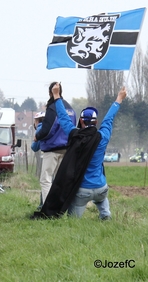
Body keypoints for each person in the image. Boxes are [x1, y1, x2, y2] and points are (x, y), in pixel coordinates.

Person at [34, 83, 126, 220]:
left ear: (81, 121)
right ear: (96, 122)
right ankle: (105, 214)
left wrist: (57, 96)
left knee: (73, 221)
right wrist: (119, 99)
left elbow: (63, 118)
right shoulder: (103, 136)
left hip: (83, 191)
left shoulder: (74, 135)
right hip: (102, 188)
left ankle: (77, 218)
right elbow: (109, 119)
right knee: (101, 196)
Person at [34, 82, 76, 205]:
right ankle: (60, 205)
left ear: (50, 92)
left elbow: (48, 128)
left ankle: (48, 207)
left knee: (46, 179)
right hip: (66, 148)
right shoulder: (70, 108)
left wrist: (38, 136)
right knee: (60, 180)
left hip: (52, 149)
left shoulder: (53, 107)